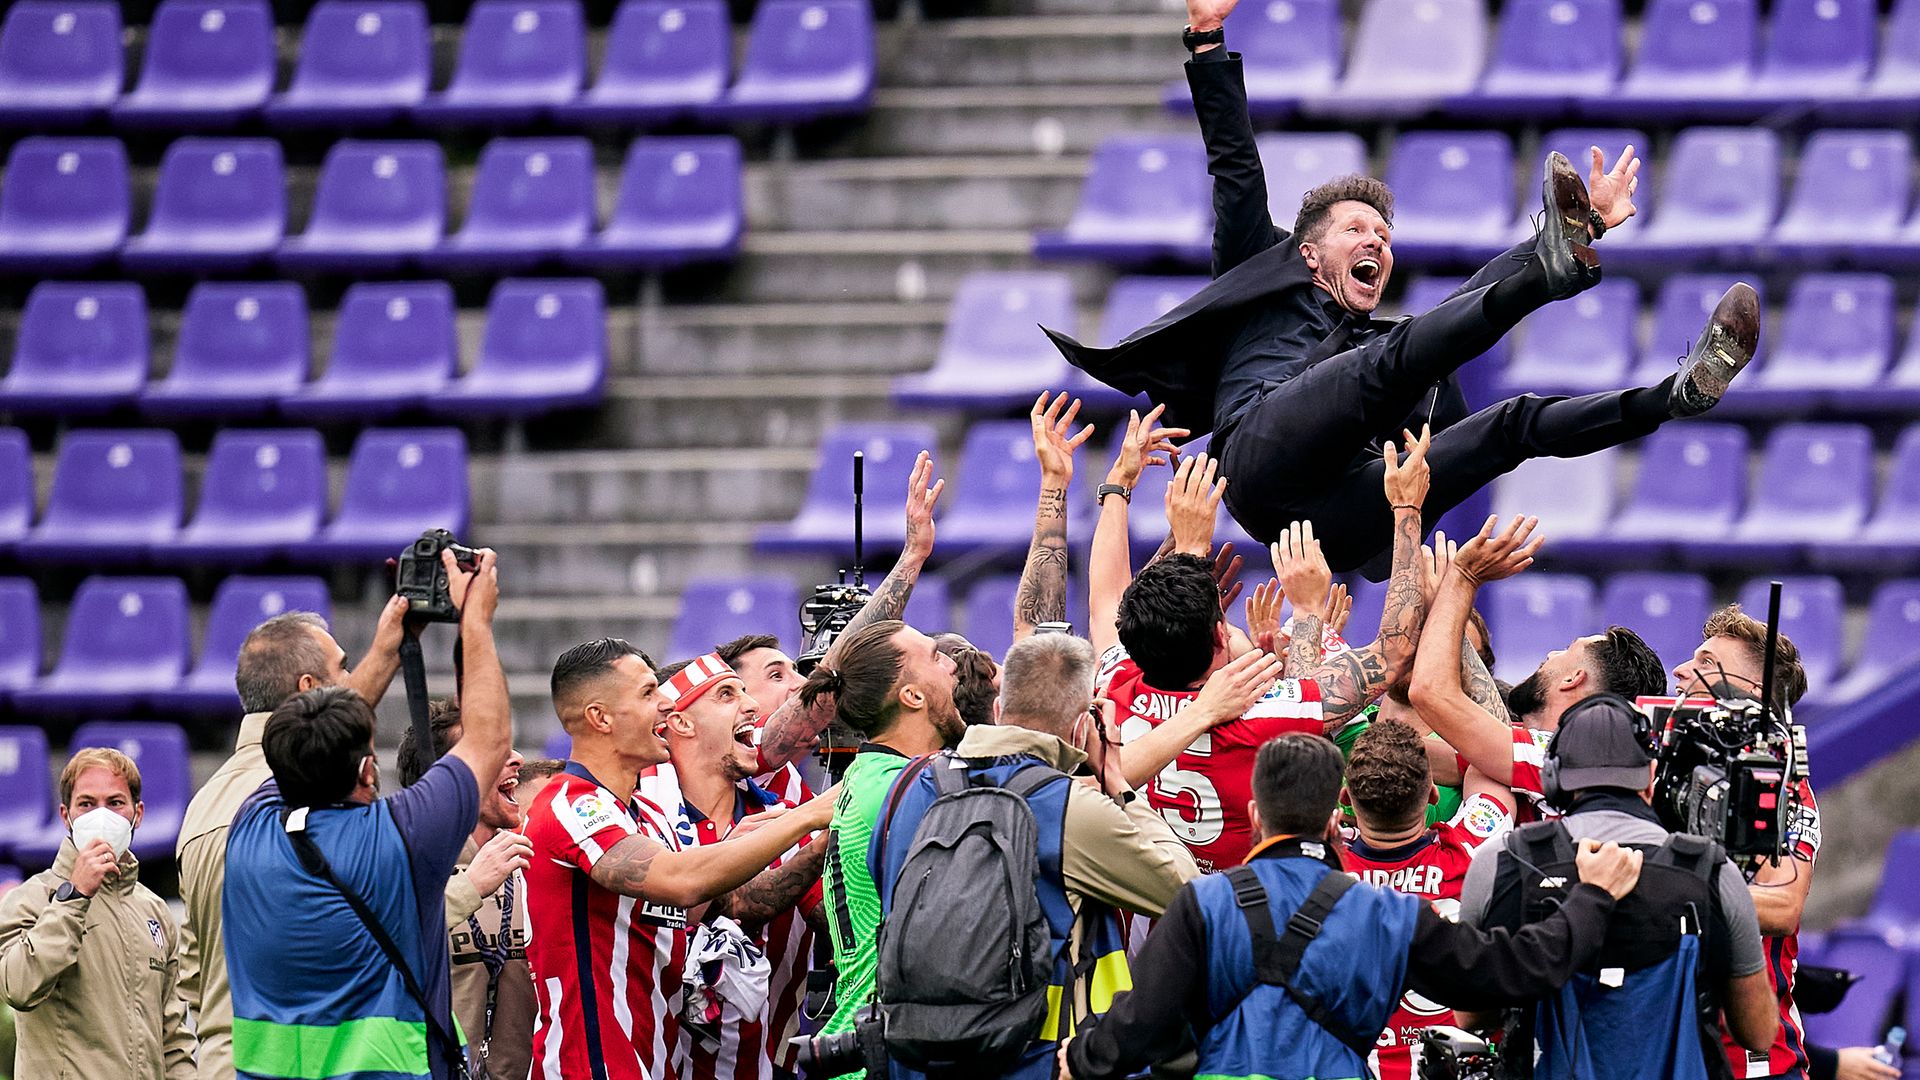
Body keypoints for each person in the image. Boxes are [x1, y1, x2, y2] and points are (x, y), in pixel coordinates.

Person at [1042, 0, 1760, 577]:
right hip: (1260, 458)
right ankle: (1555, 271)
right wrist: (1206, 41)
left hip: (1337, 519)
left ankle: (1677, 395)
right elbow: (1236, 166)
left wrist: (1589, 227)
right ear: (1308, 249)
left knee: (1512, 421)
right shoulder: (1259, 273)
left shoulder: (1375, 345)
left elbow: (1471, 297)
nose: (1377, 243)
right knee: (1407, 351)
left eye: (1384, 237)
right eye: (1357, 229)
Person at [1058, 732, 1644, 1080]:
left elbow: (1141, 1024)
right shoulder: (1387, 915)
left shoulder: (1200, 904)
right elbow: (1514, 971)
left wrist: (1079, 1059)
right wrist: (1591, 897)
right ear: (1333, 821)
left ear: (1258, 817)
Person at [1091, 414, 1435, 872]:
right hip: (1242, 919)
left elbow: (1104, 599)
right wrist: (1407, 510)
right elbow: (1394, 652)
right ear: (1219, 636)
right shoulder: (1261, 712)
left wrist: (1119, 485)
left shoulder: (1115, 681)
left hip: (1150, 930)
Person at [223, 549, 507, 1080]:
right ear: (367, 772)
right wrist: (476, 622)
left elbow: (312, 736)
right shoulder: (402, 837)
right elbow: (488, 741)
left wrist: (388, 649)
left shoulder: (250, 826)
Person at [870, 634, 1203, 1078]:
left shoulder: (905, 788)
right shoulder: (1070, 808)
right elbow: (1186, 892)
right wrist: (1118, 783)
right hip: (1037, 1060)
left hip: (913, 1059)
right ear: (1082, 727)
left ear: (996, 711)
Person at [524, 638, 834, 1080]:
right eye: (649, 694)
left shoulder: (646, 815)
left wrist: (826, 837)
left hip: (661, 1064)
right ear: (600, 717)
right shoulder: (572, 805)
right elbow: (680, 879)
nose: (665, 709)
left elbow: (736, 901)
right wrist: (809, 816)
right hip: (591, 1067)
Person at [1457, 692, 1779, 1078]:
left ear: (1554, 779)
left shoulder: (1501, 862)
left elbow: (1472, 1014)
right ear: (1650, 777)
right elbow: (1759, 1033)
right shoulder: (1714, 871)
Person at [176, 598, 409, 1080]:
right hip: (299, 1058)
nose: (348, 684)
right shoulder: (296, 792)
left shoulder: (202, 803)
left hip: (227, 1056)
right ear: (309, 689)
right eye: (342, 669)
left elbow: (193, 966)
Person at [639, 653, 827, 1080]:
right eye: (727, 694)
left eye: (745, 692)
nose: (753, 707)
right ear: (680, 722)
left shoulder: (781, 815)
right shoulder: (640, 822)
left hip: (769, 1067)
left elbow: (834, 919)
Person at [1409, 514, 1666, 821]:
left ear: (1573, 678)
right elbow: (1425, 756)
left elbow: (1430, 692)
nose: (1550, 653)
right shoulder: (1533, 750)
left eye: (1567, 651)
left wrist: (1463, 577)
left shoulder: (1562, 754)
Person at [798, 619, 966, 1054]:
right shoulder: (912, 788)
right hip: (891, 1052)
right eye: (935, 656)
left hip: (874, 1039)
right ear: (911, 696)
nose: (952, 666)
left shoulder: (873, 774)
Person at [1674, 604, 1822, 1080]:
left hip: (1755, 1063)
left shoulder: (1787, 791)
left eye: (1703, 663)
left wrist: (1659, 885)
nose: (1679, 670)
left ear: (1751, 696)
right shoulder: (1657, 768)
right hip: (1664, 1054)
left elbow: (1783, 908)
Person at [0, 747, 195, 1080]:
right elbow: (17, 988)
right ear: (66, 816)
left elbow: (173, 1037)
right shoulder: (29, 900)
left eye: (115, 803)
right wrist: (75, 895)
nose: (101, 815)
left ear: (138, 814)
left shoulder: (155, 912)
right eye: (87, 804)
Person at [1340, 719, 1514, 1079]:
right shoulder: (1474, 849)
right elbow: (1495, 762)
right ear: (1433, 794)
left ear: (1345, 798)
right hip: (1451, 1067)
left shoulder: (1318, 874)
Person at [396, 699, 537, 1080]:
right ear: (444, 781)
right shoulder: (399, 865)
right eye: (493, 751)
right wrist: (469, 887)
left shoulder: (537, 861)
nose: (518, 759)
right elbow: (370, 942)